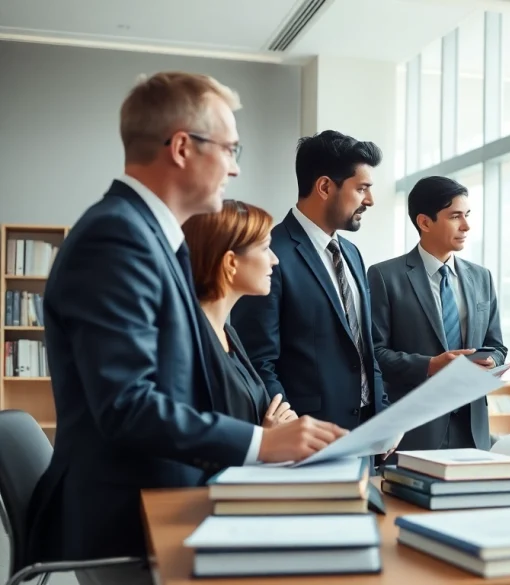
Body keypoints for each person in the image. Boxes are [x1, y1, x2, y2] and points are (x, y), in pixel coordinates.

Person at [20, 72, 345, 585]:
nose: (235, 168)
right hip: (132, 524)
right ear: (181, 148)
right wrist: (263, 444)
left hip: (172, 501)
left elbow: (184, 387)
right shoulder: (116, 238)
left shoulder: (152, 238)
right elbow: (127, 406)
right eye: (230, 149)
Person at [233, 130, 391, 435]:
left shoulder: (352, 254)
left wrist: (383, 414)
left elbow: (364, 347)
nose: (370, 200)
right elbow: (257, 360)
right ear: (325, 187)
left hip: (367, 434)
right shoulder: (268, 253)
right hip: (306, 437)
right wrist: (290, 429)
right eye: (362, 189)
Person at [367, 176, 507, 454]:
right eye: (455, 216)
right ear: (425, 222)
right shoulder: (384, 276)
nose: (466, 225)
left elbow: (498, 347)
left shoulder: (482, 277)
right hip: (415, 430)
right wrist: (430, 365)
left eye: (467, 215)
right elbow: (374, 355)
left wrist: (491, 361)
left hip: (472, 429)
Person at [182, 199, 297, 427]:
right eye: (265, 248)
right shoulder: (191, 341)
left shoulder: (228, 333)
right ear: (231, 262)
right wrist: (265, 437)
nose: (274, 260)